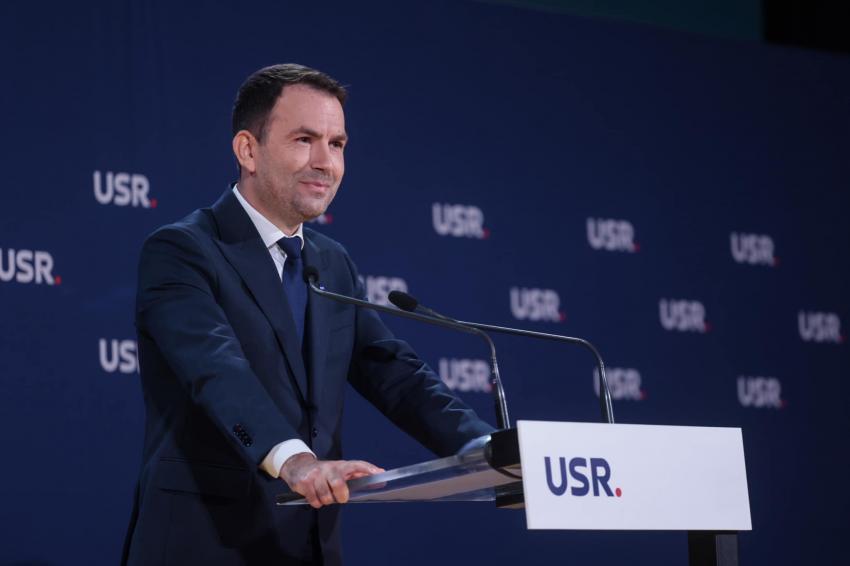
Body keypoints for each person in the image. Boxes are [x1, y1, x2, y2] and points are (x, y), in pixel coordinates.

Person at [121, 63, 494, 566]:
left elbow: (394, 374)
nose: (326, 162)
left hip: (308, 546)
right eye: (304, 140)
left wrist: (483, 448)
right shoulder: (182, 250)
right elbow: (216, 369)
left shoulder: (332, 262)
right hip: (204, 542)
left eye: (336, 144)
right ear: (248, 150)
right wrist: (295, 460)